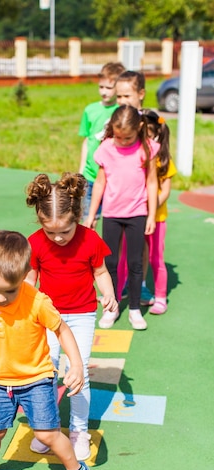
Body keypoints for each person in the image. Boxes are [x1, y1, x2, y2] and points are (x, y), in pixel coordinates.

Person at [0, 230, 97, 470]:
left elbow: (62, 329)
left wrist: (77, 364)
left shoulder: (37, 302)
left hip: (36, 379)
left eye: (9, 291)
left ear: (25, 274)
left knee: (47, 434)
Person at [25, 173, 117, 461]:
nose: (58, 238)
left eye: (64, 230)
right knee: (46, 371)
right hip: (48, 316)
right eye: (50, 231)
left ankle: (78, 431)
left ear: (76, 215)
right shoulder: (36, 243)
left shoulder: (90, 240)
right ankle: (47, 428)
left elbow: (100, 272)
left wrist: (109, 295)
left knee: (80, 372)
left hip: (82, 315)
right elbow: (31, 277)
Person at [84, 105, 159, 331]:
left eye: (127, 137)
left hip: (137, 213)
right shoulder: (106, 148)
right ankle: (112, 307)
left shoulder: (146, 149)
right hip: (112, 214)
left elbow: (152, 182)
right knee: (110, 263)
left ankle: (135, 308)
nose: (122, 141)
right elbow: (99, 183)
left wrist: (151, 215)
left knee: (136, 263)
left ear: (139, 129)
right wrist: (91, 214)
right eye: (118, 136)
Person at [115, 71, 155, 306]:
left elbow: (153, 161)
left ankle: (139, 285)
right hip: (117, 196)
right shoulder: (115, 120)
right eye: (118, 96)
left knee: (140, 245)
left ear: (140, 94)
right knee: (116, 244)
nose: (122, 101)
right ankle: (117, 284)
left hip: (139, 198)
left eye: (126, 95)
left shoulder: (147, 123)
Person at [79, 61, 125, 222]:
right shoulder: (90, 110)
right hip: (90, 175)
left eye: (109, 87)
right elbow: (87, 140)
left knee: (112, 223)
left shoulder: (121, 111)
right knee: (88, 220)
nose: (104, 91)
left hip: (113, 178)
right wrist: (81, 170)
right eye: (101, 87)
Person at [141, 109, 176, 315]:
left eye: (147, 135)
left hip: (157, 218)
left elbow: (165, 192)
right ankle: (139, 287)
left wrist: (150, 209)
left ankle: (161, 296)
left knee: (156, 257)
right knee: (134, 255)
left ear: (155, 135)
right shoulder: (137, 157)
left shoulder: (163, 160)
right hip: (136, 216)